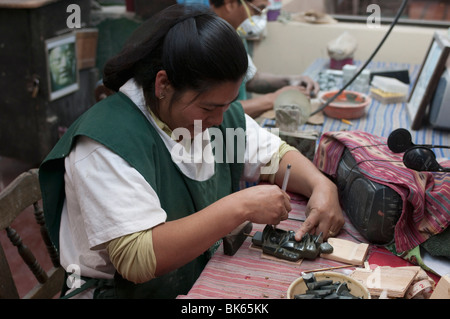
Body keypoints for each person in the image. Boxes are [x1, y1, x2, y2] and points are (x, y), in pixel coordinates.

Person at [39, 4, 343, 299]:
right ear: (163, 85)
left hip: (192, 272)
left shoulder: (202, 120)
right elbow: (137, 260)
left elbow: (274, 156)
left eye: (228, 104)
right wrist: (239, 207)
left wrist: (321, 184)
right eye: (210, 107)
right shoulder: (107, 142)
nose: (220, 120)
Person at [209, 0, 320, 118]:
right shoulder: (206, 44)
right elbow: (214, 112)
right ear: (230, 3)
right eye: (258, 9)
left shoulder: (235, 36)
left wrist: (290, 81)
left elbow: (250, 79)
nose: (260, 17)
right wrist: (272, 99)